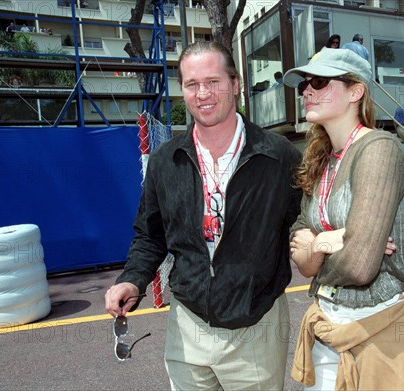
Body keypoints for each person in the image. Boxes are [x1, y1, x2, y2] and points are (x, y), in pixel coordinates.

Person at [104, 41, 302, 390]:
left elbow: (306, 221)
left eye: (214, 81)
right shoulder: (166, 161)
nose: (203, 93)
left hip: (255, 326)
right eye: (192, 84)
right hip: (187, 325)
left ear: (236, 84)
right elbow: (150, 234)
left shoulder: (277, 156)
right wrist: (132, 279)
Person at [283, 47, 404, 390]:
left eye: (318, 81)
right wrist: (332, 241)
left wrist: (322, 245)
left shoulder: (380, 149)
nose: (306, 91)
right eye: (304, 85)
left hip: (387, 331)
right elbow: (301, 257)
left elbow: (360, 265)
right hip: (328, 325)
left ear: (355, 91)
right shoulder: (320, 161)